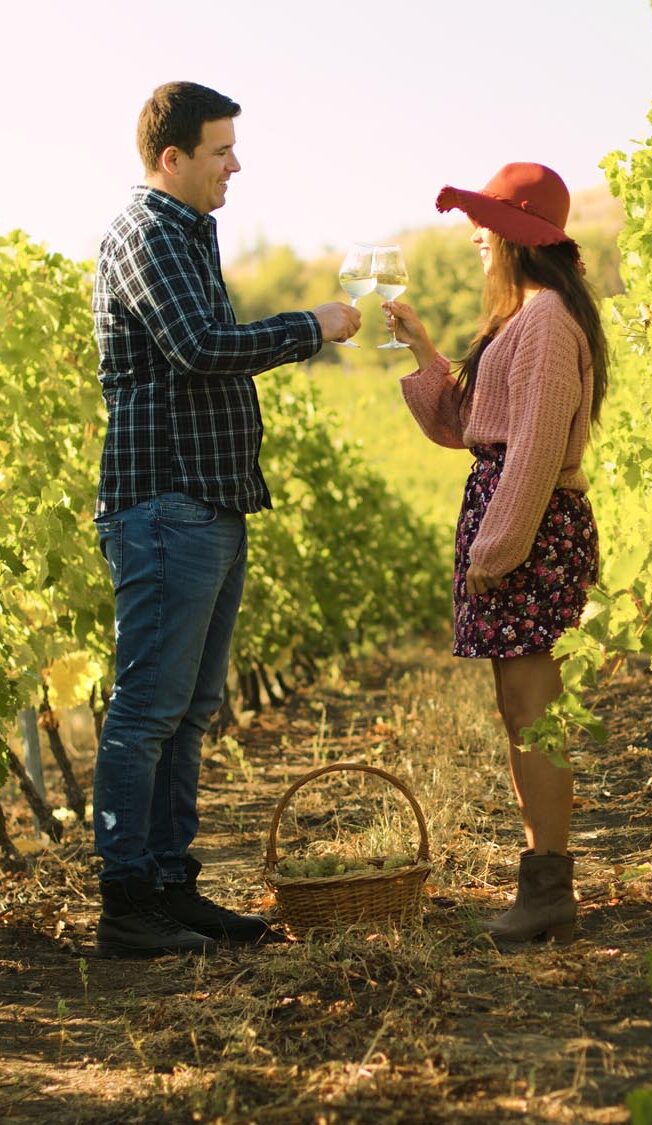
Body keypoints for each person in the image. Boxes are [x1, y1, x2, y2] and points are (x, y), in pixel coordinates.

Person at [91, 81, 361, 958]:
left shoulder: (185, 236)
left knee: (190, 708)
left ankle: (172, 886)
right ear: (171, 158)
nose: (235, 164)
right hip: (166, 502)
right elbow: (201, 349)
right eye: (220, 150)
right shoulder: (146, 234)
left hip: (204, 500)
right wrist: (308, 326)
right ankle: (128, 900)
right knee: (148, 712)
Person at [385, 162, 608, 947]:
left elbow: (537, 448)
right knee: (519, 712)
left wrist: (499, 546)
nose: (477, 236)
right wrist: (422, 351)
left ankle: (549, 885)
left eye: (487, 224)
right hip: (518, 519)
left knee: (531, 710)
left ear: (518, 235)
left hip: (531, 525)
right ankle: (540, 878)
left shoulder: (545, 319)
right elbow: (470, 425)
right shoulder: (526, 316)